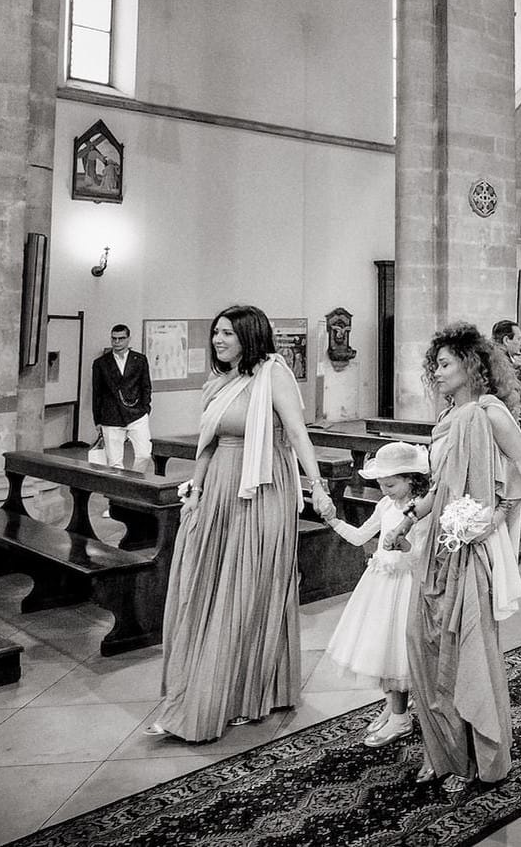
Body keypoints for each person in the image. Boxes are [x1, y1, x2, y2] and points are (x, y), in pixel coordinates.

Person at [150, 306, 336, 742]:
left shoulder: (274, 374)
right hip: (218, 491)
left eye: (228, 334)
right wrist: (195, 493)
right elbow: (208, 445)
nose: (218, 340)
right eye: (216, 333)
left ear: (250, 337)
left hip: (262, 490)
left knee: (248, 589)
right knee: (207, 587)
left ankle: (240, 692)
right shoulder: (219, 381)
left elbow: (296, 434)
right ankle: (211, 686)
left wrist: (318, 487)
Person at [404, 322, 521, 789]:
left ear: (470, 365)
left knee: (465, 650)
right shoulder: (448, 416)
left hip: (469, 550)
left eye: (444, 364)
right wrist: (409, 515)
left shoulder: (489, 412)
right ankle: (441, 748)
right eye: (435, 365)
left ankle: (474, 755)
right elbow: (441, 485)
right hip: (436, 546)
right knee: (425, 646)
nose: (437, 373)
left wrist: (496, 515)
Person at [322, 441, 431, 748]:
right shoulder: (385, 506)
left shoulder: (422, 509)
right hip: (380, 585)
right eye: (381, 484)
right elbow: (360, 537)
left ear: (412, 478)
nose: (385, 490)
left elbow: (425, 558)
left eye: (391, 484)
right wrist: (333, 520)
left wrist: (406, 546)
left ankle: (400, 717)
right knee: (382, 650)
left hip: (406, 585)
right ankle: (394, 706)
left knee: (399, 653)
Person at [90, 322, 153, 470]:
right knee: (115, 462)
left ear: (129, 339)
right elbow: (97, 392)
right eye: (114, 339)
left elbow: (146, 386)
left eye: (121, 338)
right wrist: (97, 419)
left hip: (137, 414)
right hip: (111, 416)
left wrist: (145, 408)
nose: (117, 342)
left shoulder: (140, 360)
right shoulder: (101, 363)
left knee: (144, 454)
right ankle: (118, 491)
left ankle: (135, 484)